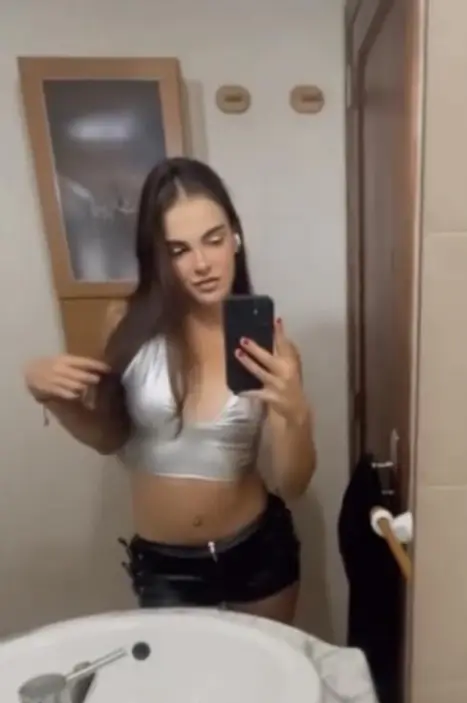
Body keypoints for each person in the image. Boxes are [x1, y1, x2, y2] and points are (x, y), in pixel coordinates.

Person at [23, 157, 316, 623]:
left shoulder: (270, 346)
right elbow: (108, 438)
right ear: (158, 256)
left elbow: (293, 484)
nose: (201, 264)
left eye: (213, 240)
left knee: (263, 671)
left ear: (235, 238)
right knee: (178, 673)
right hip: (165, 567)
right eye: (179, 250)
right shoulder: (128, 323)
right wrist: (51, 397)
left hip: (257, 554)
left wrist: (297, 414)